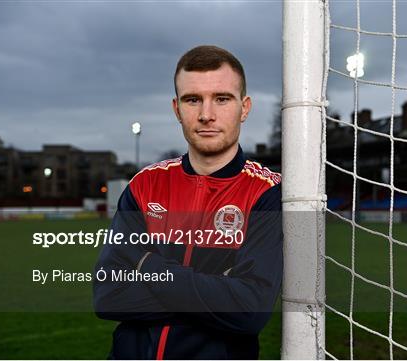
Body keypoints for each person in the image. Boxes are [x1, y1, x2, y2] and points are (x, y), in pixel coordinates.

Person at [93, 45, 282, 360]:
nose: (206, 115)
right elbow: (108, 297)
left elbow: (250, 311)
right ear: (176, 108)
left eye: (222, 99)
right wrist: (217, 292)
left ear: (244, 108)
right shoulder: (145, 185)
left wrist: (148, 266)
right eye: (193, 100)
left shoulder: (266, 194)